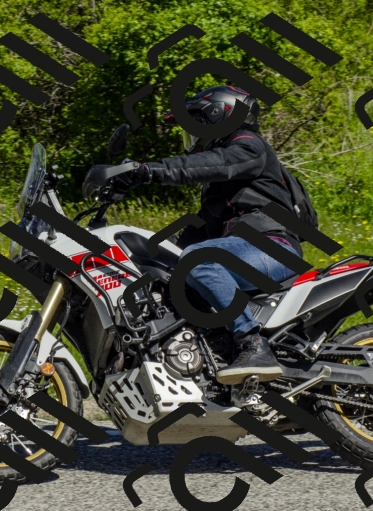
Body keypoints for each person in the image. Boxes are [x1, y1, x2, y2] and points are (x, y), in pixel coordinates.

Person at [112, 85, 303, 386]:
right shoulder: (220, 191)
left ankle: (253, 343)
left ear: (219, 116)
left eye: (196, 124)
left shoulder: (248, 146)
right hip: (244, 248)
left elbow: (206, 165)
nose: (192, 136)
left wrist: (147, 171)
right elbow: (194, 235)